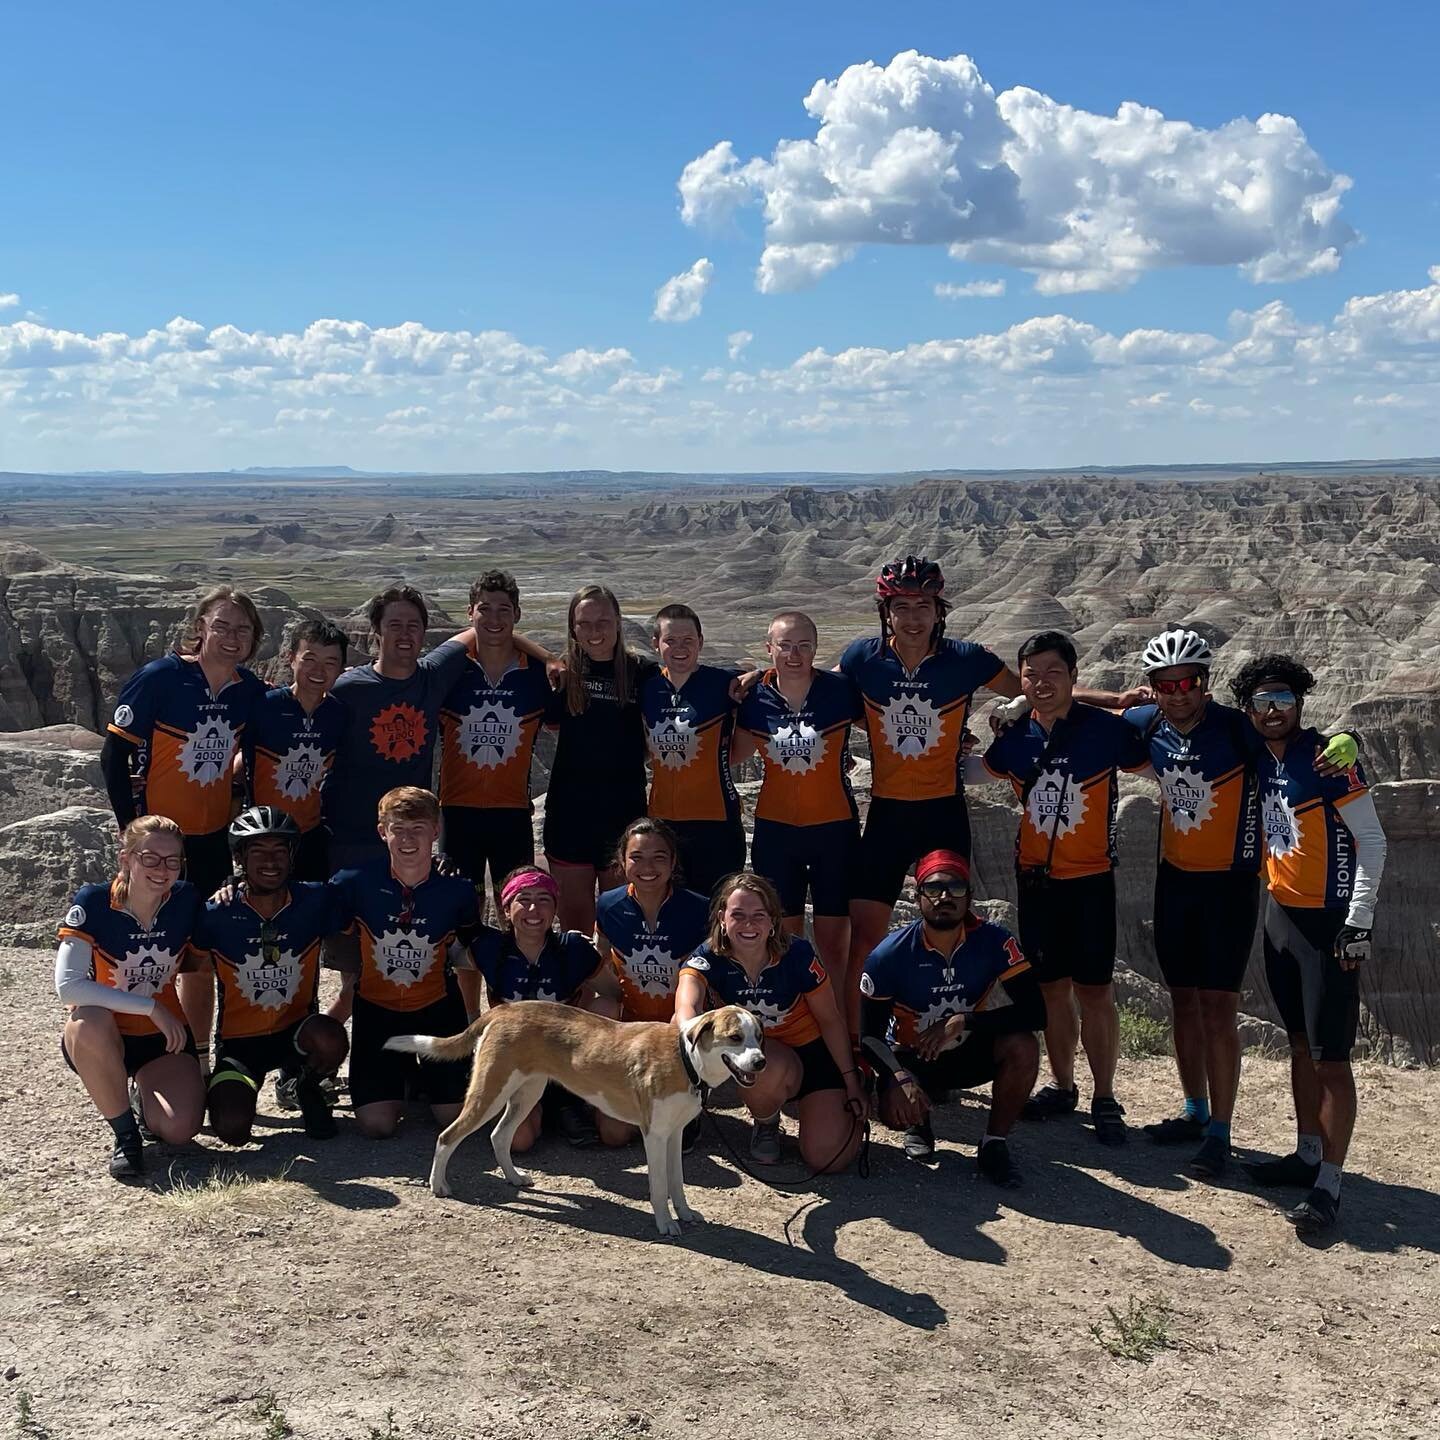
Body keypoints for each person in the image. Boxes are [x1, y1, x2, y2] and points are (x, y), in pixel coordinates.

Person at [1121, 628, 1359, 1178]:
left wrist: (1346, 740)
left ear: (1205, 684)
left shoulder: (1236, 728)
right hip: (1173, 879)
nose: (1178, 692)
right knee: (1183, 1001)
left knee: (1218, 1009)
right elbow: (1082, 715)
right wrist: (1023, 705)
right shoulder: (1147, 723)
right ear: (1153, 687)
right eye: (1166, 683)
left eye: (1189, 682)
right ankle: (1194, 1111)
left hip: (1230, 885)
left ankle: (1222, 1133)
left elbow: (1295, 744)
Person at [1232, 655, 1387, 1238]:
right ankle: (1305, 1155)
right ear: (1249, 710)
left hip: (1329, 923)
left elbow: (1372, 841)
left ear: (1300, 703)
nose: (1272, 712)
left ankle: (1330, 1184)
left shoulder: (1326, 760)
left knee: (1331, 1057)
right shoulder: (1260, 754)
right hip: (1281, 916)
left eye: (1283, 701)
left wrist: (1359, 922)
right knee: (1299, 1043)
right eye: (1262, 703)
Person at [977, 631, 1150, 1146]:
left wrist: (1124, 703)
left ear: (1075, 676)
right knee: (1052, 991)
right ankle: (1064, 1086)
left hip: (1091, 880)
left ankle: (1105, 1095)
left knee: (1096, 992)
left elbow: (1162, 762)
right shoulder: (1014, 737)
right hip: (1035, 882)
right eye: (1031, 673)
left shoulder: (1105, 731)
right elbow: (979, 772)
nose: (1041, 682)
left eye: (1054, 671)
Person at [100, 585, 269, 1072]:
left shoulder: (248, 690)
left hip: (213, 839)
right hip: (159, 843)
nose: (232, 636)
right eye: (222, 625)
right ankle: (140, 1056)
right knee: (147, 948)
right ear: (200, 628)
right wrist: (129, 829)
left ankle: (195, 1057)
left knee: (199, 952)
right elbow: (114, 754)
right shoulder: (162, 678)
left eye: (243, 629)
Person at [859, 850, 1043, 1186]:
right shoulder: (889, 955)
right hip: (911, 1056)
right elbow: (869, 1036)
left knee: (1024, 1046)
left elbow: (1036, 1012)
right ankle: (918, 1120)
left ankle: (994, 1143)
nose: (944, 897)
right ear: (918, 898)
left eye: (956, 888)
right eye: (933, 888)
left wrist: (966, 1020)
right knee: (892, 1112)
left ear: (970, 897)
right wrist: (899, 1078)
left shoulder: (995, 942)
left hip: (967, 1050)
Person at [675, 873, 865, 1171]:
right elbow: (685, 1007)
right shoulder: (708, 956)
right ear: (721, 919)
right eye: (737, 915)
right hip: (758, 1058)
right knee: (693, 1030)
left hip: (810, 1052)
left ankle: (831, 1109)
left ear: (774, 921)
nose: (748, 924)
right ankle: (766, 1122)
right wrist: (691, 1060)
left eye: (758, 916)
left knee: (828, 1158)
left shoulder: (798, 954)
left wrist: (852, 1081)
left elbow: (830, 1020)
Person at [55, 815, 204, 1178]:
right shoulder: (94, 900)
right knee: (86, 1019)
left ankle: (142, 1100)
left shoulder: (187, 899)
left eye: (173, 860)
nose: (162, 869)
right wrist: (150, 1006)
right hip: (106, 1035)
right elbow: (68, 986)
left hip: (163, 1037)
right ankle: (125, 1135)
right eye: (149, 858)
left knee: (180, 1131)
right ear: (126, 858)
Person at [328, 786, 481, 1139]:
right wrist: (239, 883)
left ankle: (425, 1077)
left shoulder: (458, 890)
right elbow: (303, 908)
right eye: (399, 829)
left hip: (437, 1011)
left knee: (453, 1118)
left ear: (436, 831)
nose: (408, 839)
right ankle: (408, 1077)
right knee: (376, 1125)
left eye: (419, 829)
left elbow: (475, 946)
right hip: (377, 1012)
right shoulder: (353, 882)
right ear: (383, 832)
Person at [192, 807, 350, 1146]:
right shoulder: (217, 913)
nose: (271, 861)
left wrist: (442, 865)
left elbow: (370, 887)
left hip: (297, 1034)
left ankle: (303, 1085)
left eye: (280, 851)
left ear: (292, 856)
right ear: (239, 857)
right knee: (232, 1129)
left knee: (331, 1037)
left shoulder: (314, 899)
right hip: (240, 1045)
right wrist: (198, 1056)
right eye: (258, 852)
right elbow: (191, 974)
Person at [734, 610, 863, 989]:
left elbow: (885, 724)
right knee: (786, 944)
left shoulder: (839, 692)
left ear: (816, 650)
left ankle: (842, 1027)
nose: (794, 655)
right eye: (785, 646)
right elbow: (730, 754)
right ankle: (799, 1025)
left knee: (835, 944)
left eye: (804, 646)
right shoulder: (753, 698)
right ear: (768, 648)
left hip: (834, 830)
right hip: (777, 834)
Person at [468, 866, 619, 1150]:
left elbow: (614, 994)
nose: (534, 909)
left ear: (555, 908)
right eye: (523, 899)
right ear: (506, 907)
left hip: (567, 1058)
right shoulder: (489, 947)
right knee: (518, 1140)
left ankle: (574, 1101)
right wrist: (473, 1018)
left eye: (544, 899)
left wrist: (580, 1016)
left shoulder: (573, 947)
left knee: (607, 1009)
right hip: (517, 1060)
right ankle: (545, 1110)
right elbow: (454, 964)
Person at [542, 585, 658, 935]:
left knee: (620, 922)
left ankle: (616, 991)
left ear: (619, 622)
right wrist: (546, 656)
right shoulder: (562, 677)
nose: (595, 631)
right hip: (569, 816)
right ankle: (581, 992)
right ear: (572, 628)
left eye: (604, 621)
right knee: (575, 926)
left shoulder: (642, 674)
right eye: (585, 623)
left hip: (623, 815)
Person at [593, 819, 710, 1146]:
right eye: (637, 857)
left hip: (679, 1024)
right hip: (631, 1026)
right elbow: (599, 964)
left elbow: (710, 978)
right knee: (615, 1134)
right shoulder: (608, 905)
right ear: (622, 861)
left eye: (659, 857)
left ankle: (691, 1096)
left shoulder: (698, 909)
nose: (648, 867)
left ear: (673, 863)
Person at [438, 570, 551, 904]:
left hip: (512, 815)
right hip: (457, 814)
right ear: (469, 613)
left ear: (517, 614)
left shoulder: (536, 676)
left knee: (517, 908)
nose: (494, 618)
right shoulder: (453, 670)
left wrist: (547, 657)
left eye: (504, 609)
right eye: (484, 608)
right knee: (460, 910)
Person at [640, 604, 746, 896]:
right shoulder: (647, 688)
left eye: (688, 640)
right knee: (671, 910)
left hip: (716, 820)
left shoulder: (723, 683)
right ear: (655, 644)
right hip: (663, 821)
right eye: (670, 640)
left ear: (700, 641)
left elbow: (776, 679)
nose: (680, 648)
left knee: (717, 912)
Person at [245, 618, 350, 884]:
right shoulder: (264, 707)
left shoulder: (338, 715)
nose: (319, 671)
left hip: (311, 833)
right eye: (310, 659)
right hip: (264, 835)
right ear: (290, 658)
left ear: (341, 668)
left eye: (330, 662)